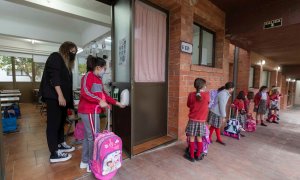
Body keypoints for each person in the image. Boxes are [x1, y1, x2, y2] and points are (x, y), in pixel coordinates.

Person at [77, 55, 125, 172]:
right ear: (98, 67)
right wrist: (99, 101)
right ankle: (90, 163)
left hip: (93, 111)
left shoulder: (98, 79)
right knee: (93, 137)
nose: (105, 71)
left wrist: (116, 103)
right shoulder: (88, 76)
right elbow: (85, 92)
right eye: (104, 69)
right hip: (88, 111)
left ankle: (84, 161)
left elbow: (104, 95)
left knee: (89, 137)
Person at [39, 41, 77, 163]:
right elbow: (54, 77)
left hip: (62, 99)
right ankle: (54, 153)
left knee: (61, 123)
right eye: (71, 51)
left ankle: (60, 144)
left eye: (75, 52)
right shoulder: (56, 57)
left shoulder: (67, 66)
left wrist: (68, 101)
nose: (73, 54)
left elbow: (67, 84)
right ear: (65, 50)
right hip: (54, 97)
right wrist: (60, 95)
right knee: (53, 124)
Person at [184, 78, 210, 162]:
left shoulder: (191, 95)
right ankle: (198, 155)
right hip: (201, 121)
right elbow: (208, 104)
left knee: (191, 138)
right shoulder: (207, 95)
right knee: (199, 138)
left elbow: (188, 105)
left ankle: (191, 156)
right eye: (205, 85)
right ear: (203, 86)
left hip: (192, 120)